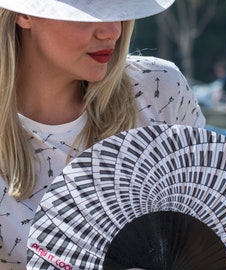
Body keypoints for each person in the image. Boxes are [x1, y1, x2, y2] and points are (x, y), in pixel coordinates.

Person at [0, 0, 205, 268]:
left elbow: (209, 234)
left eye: (117, 7)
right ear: (25, 13)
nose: (112, 31)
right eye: (87, 10)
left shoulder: (159, 90)